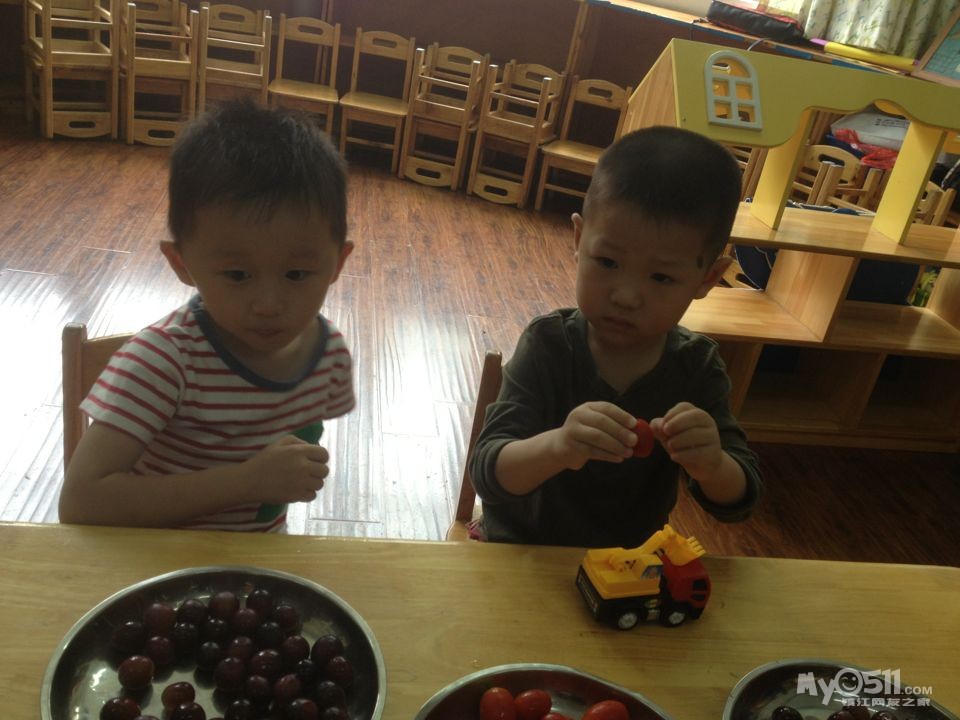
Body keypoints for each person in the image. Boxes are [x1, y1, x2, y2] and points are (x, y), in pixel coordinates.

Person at [59, 99, 355, 532]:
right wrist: (246, 482)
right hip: (151, 563)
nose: (268, 304)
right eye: (237, 274)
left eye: (296, 274)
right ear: (181, 263)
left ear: (337, 264)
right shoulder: (162, 362)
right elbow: (81, 502)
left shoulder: (327, 354)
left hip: (253, 562)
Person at [469, 126, 763, 548]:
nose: (625, 296)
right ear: (578, 239)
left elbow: (739, 501)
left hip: (627, 564)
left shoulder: (696, 368)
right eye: (607, 262)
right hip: (520, 550)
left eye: (661, 277)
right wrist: (560, 446)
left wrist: (714, 465)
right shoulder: (547, 345)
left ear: (708, 278)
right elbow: (487, 474)